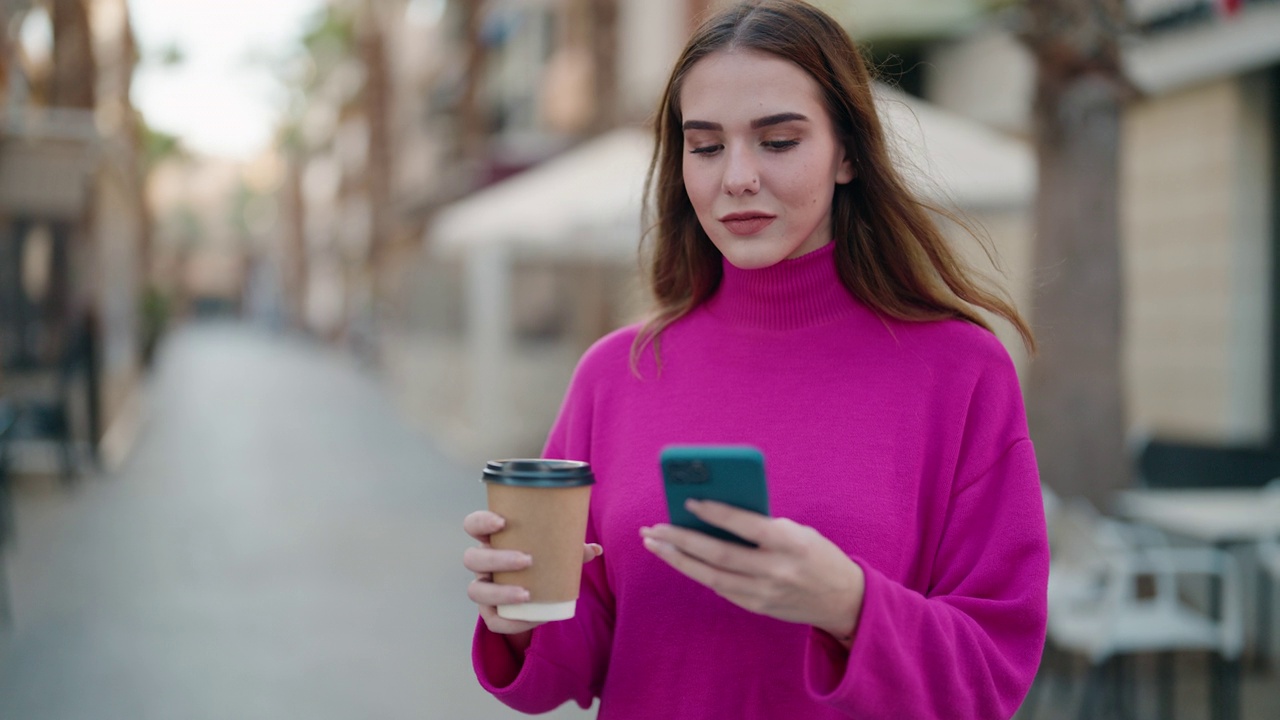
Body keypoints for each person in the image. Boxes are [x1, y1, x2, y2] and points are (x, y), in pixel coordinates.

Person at [462, 1, 1048, 718]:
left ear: (848, 153)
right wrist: (519, 619)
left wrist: (847, 605)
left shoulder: (960, 372)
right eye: (705, 146)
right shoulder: (616, 374)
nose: (736, 176)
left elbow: (992, 674)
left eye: (777, 140)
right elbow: (576, 661)